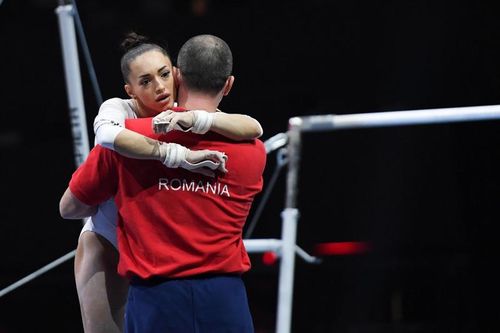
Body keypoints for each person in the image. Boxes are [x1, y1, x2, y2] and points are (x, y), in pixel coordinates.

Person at [61, 34, 266, 332]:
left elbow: (254, 126)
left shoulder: (236, 132)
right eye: (145, 81)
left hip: (157, 286)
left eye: (164, 74)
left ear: (177, 75)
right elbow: (104, 139)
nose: (159, 86)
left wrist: (199, 121)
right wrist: (176, 155)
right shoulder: (120, 122)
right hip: (110, 245)